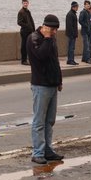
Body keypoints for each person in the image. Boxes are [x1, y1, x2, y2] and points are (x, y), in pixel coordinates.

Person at [27, 14, 64, 165]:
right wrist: (48, 38)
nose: (55, 32)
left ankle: (48, 149)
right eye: (53, 29)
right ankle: (38, 152)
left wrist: (59, 80)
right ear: (46, 27)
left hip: (52, 84)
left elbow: (54, 61)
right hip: (40, 85)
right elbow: (41, 55)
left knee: (50, 120)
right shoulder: (34, 38)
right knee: (39, 121)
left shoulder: (51, 39)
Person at [17, 0, 35, 65]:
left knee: (29, 46)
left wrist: (33, 29)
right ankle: (23, 60)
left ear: (28, 4)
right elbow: (19, 22)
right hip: (24, 32)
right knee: (24, 46)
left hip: (30, 31)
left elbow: (31, 21)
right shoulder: (21, 12)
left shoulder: (28, 11)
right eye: (24, 3)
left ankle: (28, 59)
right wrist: (27, 26)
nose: (25, 4)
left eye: (26, 3)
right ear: (22, 4)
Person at [65, 1, 79, 65]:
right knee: (71, 48)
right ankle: (70, 60)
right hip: (71, 35)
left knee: (72, 48)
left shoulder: (72, 14)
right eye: (76, 7)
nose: (77, 8)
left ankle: (71, 59)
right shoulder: (70, 14)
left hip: (72, 34)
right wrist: (73, 34)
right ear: (73, 7)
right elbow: (69, 26)